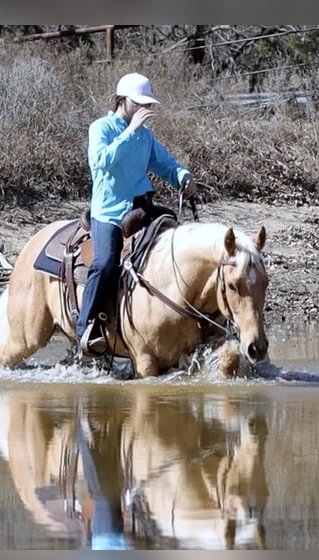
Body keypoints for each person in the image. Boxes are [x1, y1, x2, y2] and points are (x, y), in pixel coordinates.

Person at [77, 72, 197, 354]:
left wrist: (183, 176)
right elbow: (100, 162)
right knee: (105, 263)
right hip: (108, 211)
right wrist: (129, 132)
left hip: (141, 206)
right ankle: (85, 328)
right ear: (122, 100)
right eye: (139, 103)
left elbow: (165, 164)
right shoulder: (102, 128)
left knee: (175, 248)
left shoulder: (146, 136)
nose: (145, 109)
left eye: (148, 105)